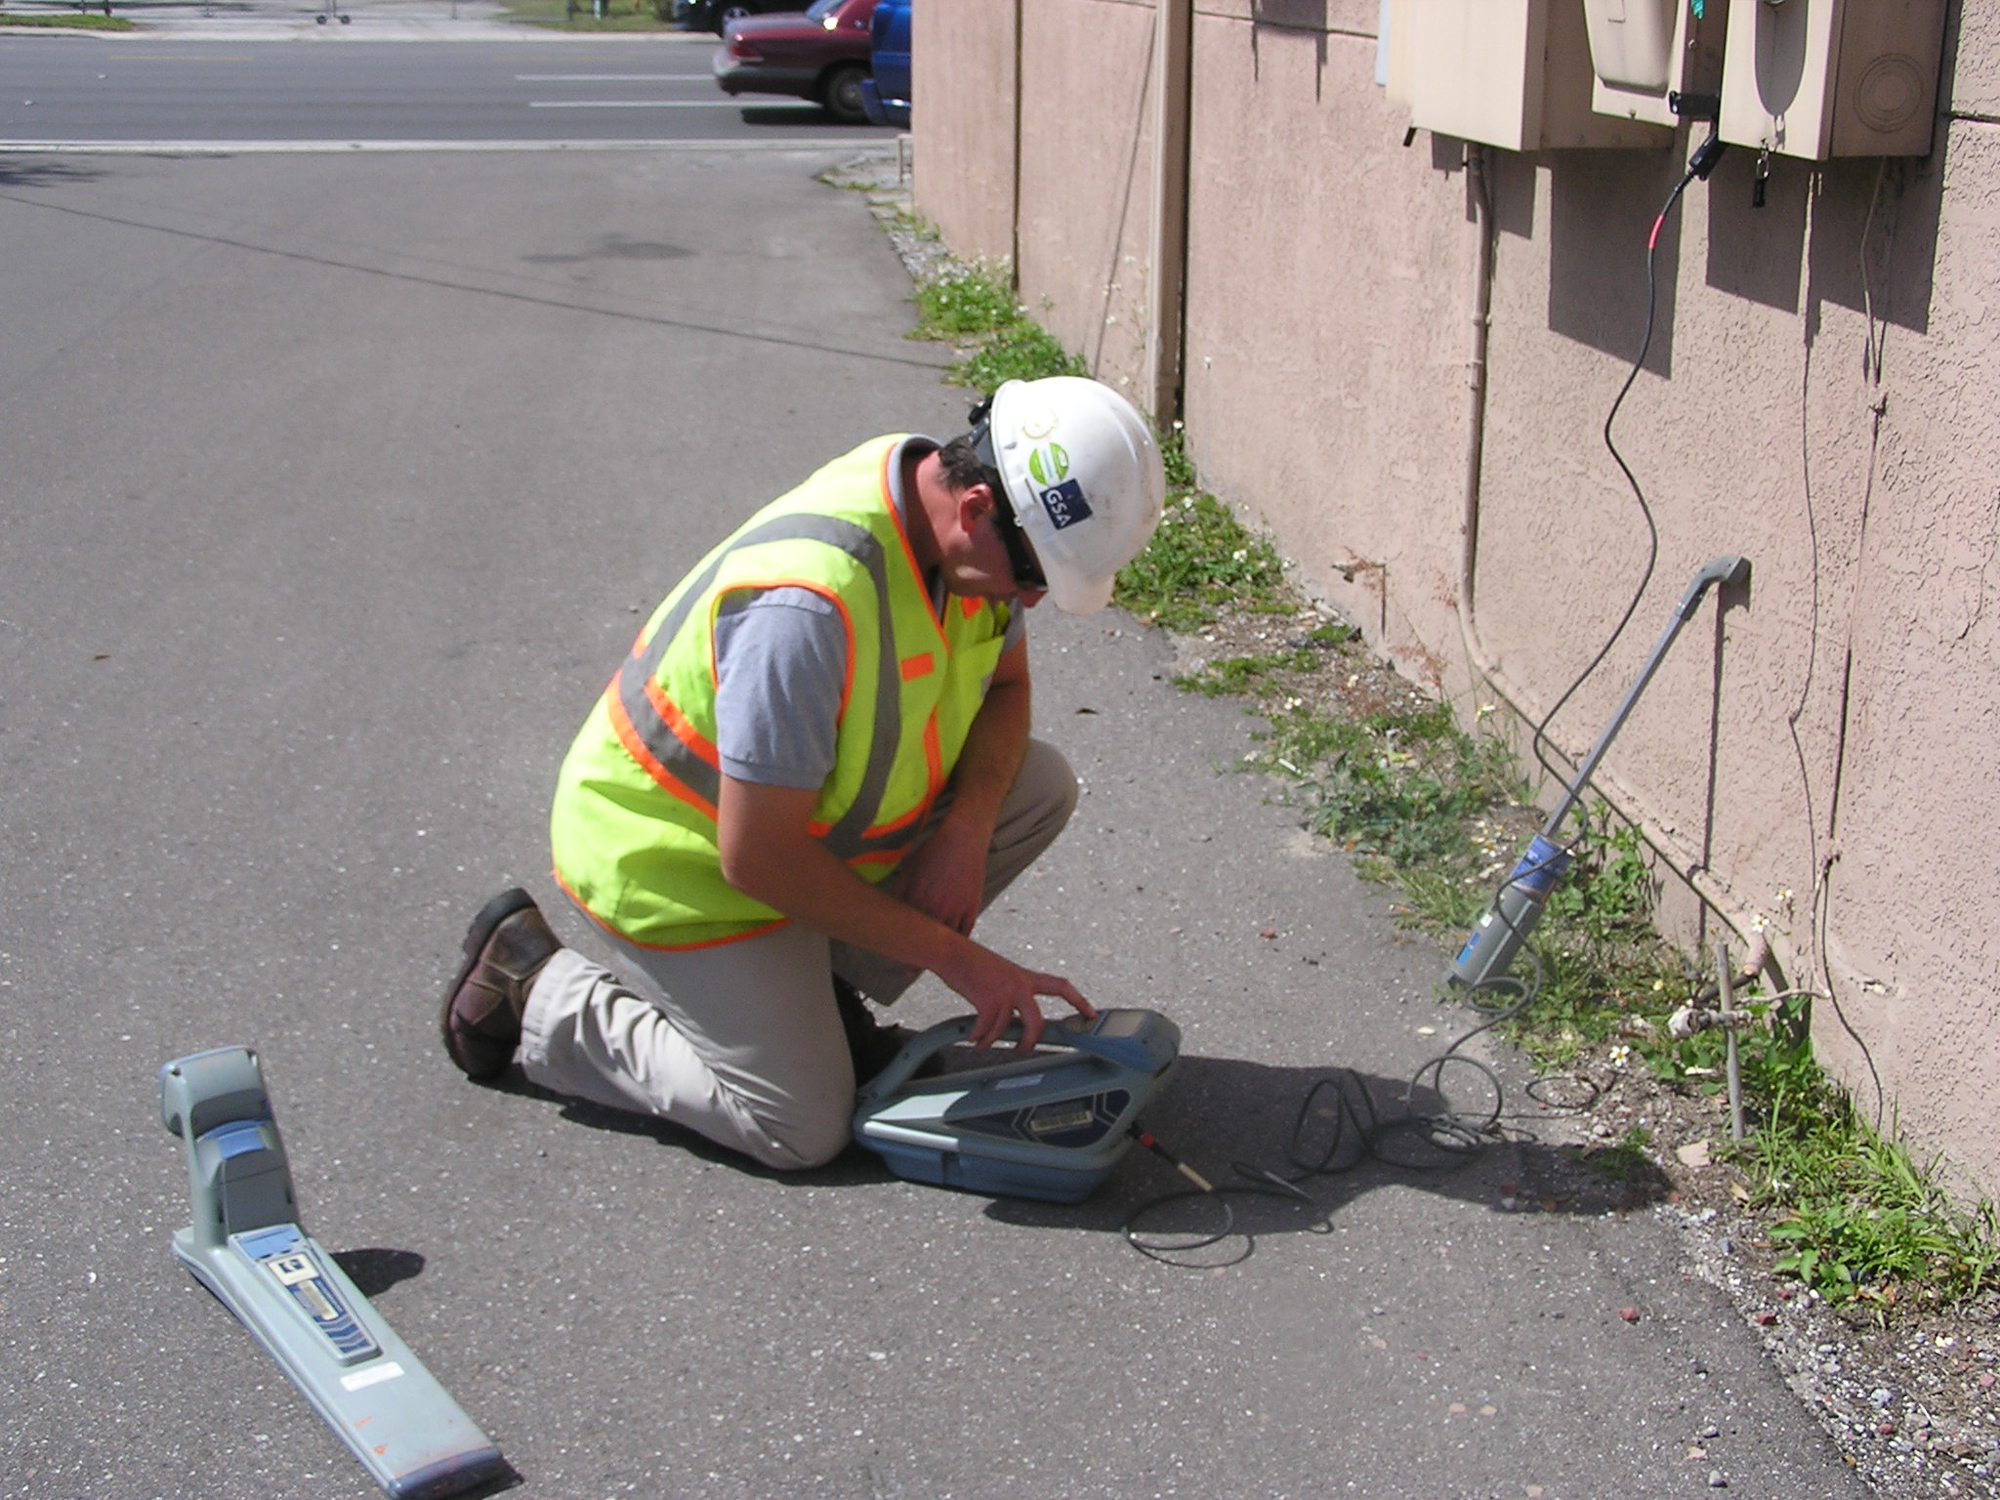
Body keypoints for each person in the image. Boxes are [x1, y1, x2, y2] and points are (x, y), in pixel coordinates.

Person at [438, 376, 1166, 1171]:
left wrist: (966, 827)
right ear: (977, 507)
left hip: (790, 831)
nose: (1031, 597)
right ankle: (536, 987)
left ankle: (807, 1001)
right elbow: (756, 858)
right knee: (801, 1127)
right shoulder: (807, 608)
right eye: (1032, 576)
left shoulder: (950, 516)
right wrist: (962, 960)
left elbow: (1007, 687)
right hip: (671, 864)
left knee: (1034, 788)